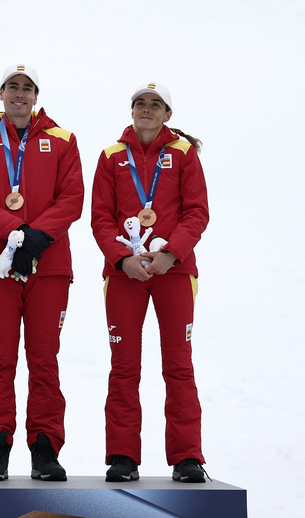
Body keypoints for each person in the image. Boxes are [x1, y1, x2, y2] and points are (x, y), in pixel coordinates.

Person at [0, 65, 84, 481]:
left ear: (36, 97)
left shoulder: (63, 140)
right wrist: (15, 235)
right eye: (13, 86)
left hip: (48, 268)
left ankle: (45, 448)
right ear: (1, 94)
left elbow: (72, 199)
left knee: (44, 359)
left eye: (27, 88)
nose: (19, 94)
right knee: (0, 359)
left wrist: (34, 240)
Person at [90, 83, 209, 483]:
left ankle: (187, 457)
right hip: (125, 274)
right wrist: (121, 258)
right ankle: (123, 457)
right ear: (132, 111)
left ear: (167, 115)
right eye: (140, 103)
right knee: (123, 367)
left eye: (155, 104)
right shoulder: (110, 157)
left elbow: (197, 212)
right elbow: (101, 218)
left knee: (178, 365)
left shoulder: (183, 154)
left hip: (173, 272)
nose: (146, 109)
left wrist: (171, 253)